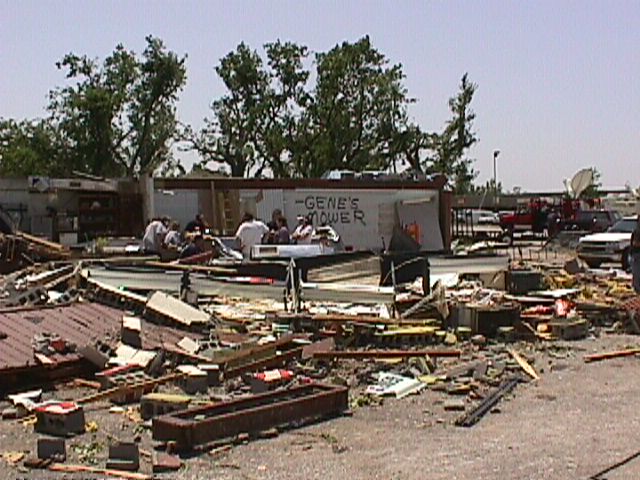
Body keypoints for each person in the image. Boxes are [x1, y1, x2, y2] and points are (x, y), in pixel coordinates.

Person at [631, 216, 640, 293]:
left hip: (636, 254)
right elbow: (635, 243)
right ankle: (637, 289)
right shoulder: (637, 231)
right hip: (637, 254)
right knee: (636, 273)